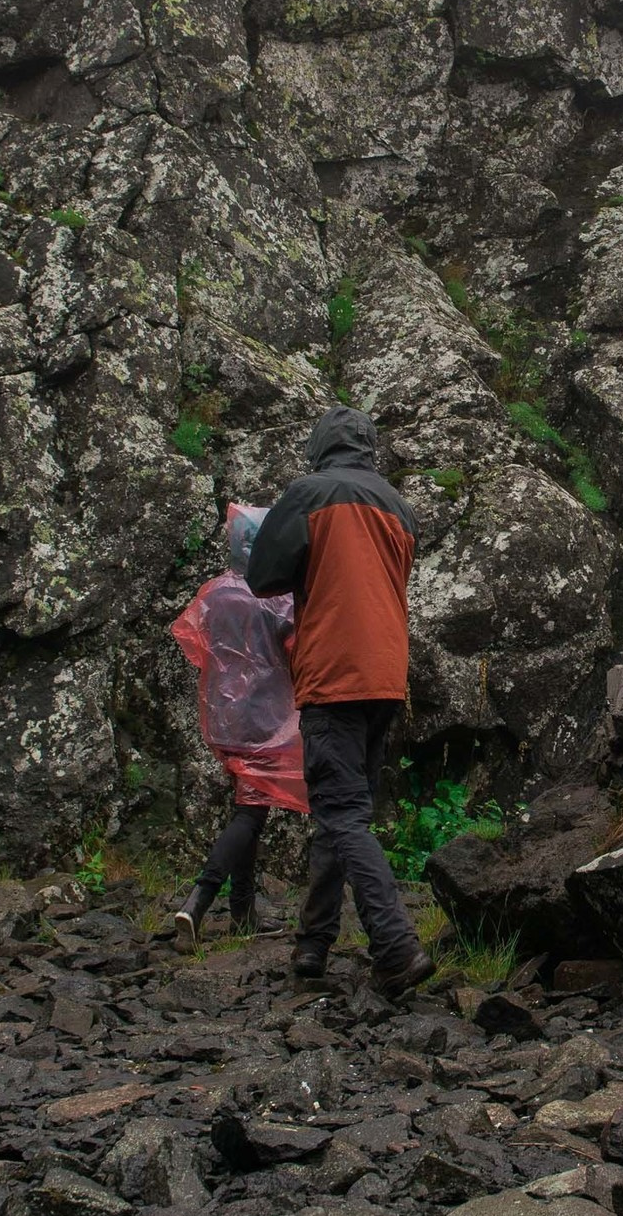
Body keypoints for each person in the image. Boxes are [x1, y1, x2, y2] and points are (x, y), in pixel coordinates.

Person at [245, 406, 434, 996]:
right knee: (341, 809)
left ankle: (396, 947)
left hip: (334, 671)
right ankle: (313, 944)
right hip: (386, 674)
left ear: (321, 445)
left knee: (342, 813)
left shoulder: (310, 493)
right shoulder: (399, 506)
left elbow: (263, 576)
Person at [167, 504, 310, 951]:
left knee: (249, 805)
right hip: (266, 723)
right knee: (251, 813)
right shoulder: (278, 597)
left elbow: (194, 641)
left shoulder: (214, 593)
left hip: (224, 719)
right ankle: (199, 900)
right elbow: (298, 650)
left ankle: (243, 912)